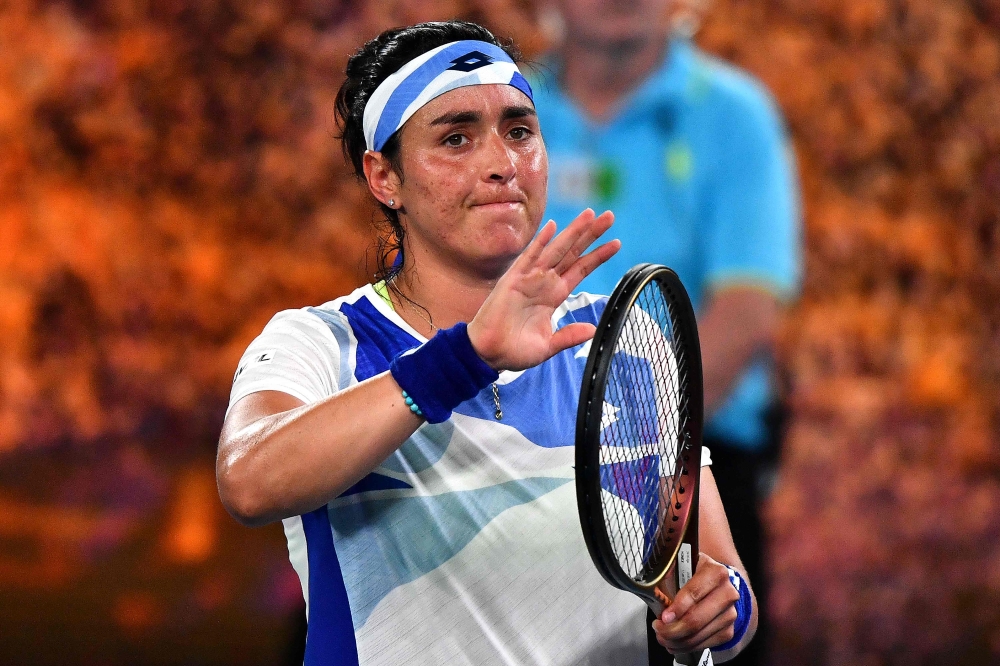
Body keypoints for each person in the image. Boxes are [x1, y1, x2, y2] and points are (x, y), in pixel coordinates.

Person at [217, 20, 757, 665]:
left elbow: (719, 579)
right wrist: (464, 358)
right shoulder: (319, 340)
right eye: (455, 138)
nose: (502, 164)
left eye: (520, 131)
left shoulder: (624, 340)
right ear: (383, 177)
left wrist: (718, 611)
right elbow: (249, 483)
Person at [533, 3, 801, 663]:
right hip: (512, 460)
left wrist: (639, 448)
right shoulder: (500, 107)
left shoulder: (736, 116)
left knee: (710, 625)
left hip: (685, 462)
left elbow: (747, 309)